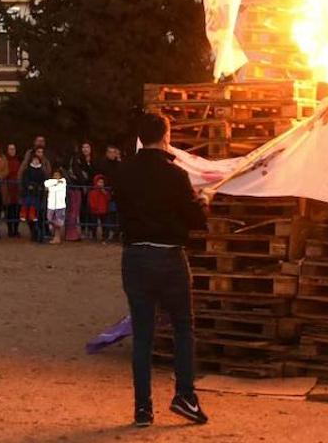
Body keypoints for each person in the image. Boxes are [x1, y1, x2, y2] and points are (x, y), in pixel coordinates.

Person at [113, 114, 209, 427]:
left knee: (142, 335)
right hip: (169, 259)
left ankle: (143, 408)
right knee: (183, 327)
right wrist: (203, 202)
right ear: (165, 136)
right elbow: (195, 221)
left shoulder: (123, 173)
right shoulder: (175, 175)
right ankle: (185, 395)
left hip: (135, 257)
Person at [67, 142, 94, 242]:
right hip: (81, 187)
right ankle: (82, 229)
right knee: (82, 209)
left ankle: (92, 230)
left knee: (91, 208)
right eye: (83, 147)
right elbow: (77, 172)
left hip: (92, 187)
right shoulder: (77, 159)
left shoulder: (94, 160)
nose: (85, 149)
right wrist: (83, 184)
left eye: (87, 147)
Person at [21, 150, 48, 243]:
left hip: (39, 195)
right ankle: (33, 233)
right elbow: (24, 181)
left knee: (40, 215)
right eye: (34, 160)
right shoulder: (27, 170)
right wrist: (29, 186)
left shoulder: (42, 171)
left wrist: (40, 187)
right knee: (30, 215)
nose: (36, 161)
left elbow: (44, 181)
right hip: (29, 195)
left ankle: (40, 234)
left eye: (37, 160)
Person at [3, 142, 23, 238]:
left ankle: (16, 229)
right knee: (9, 210)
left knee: (17, 210)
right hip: (8, 187)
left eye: (13, 149)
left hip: (17, 188)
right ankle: (10, 230)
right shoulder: (4, 160)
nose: (12, 151)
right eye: (10, 149)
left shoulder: (19, 160)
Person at [44, 167, 68, 244]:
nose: (56, 176)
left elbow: (54, 187)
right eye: (55, 175)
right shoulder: (52, 182)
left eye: (58, 175)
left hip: (59, 205)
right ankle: (55, 236)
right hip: (51, 205)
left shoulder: (63, 182)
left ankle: (57, 237)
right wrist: (55, 182)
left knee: (58, 223)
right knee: (50, 220)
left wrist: (52, 186)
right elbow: (46, 183)